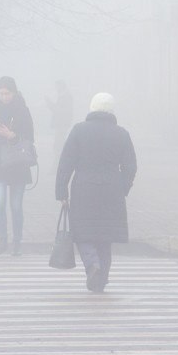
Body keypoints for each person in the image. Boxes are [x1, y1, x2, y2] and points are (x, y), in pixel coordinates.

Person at [55, 92, 137, 292]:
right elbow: (131, 166)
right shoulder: (121, 133)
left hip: (84, 188)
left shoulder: (79, 131)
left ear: (91, 108)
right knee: (104, 237)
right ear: (112, 111)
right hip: (112, 190)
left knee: (83, 233)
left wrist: (62, 192)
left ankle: (93, 265)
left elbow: (66, 162)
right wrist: (122, 188)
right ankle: (101, 279)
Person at [0, 76, 36, 255]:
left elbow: (30, 137)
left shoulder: (23, 110)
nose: (4, 96)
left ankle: (17, 241)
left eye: (7, 93)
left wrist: (12, 136)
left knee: (16, 205)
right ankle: (2, 240)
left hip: (17, 162)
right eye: (1, 93)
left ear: (14, 92)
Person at [46, 80, 74, 161]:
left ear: (61, 86)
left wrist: (49, 103)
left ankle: (58, 163)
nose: (56, 88)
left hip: (62, 124)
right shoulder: (64, 96)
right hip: (62, 124)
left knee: (58, 144)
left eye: (57, 86)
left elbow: (59, 111)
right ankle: (58, 162)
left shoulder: (66, 97)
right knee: (58, 143)